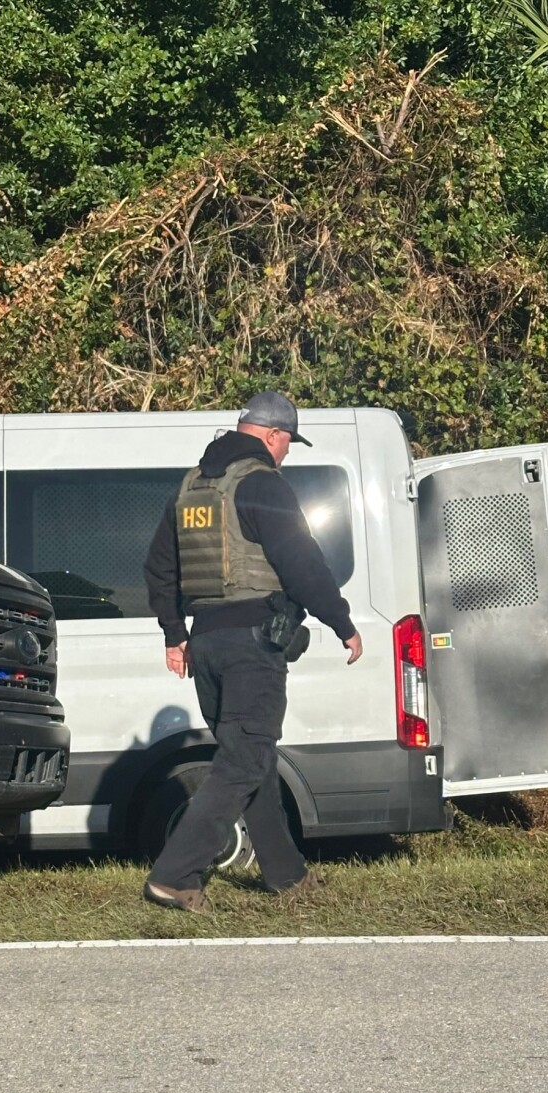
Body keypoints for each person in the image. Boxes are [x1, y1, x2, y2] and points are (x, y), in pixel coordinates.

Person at [142, 389, 363, 913]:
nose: (286, 453)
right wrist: (342, 622)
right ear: (272, 434)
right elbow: (301, 561)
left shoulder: (192, 488)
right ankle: (174, 875)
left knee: (252, 757)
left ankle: (286, 874)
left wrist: (176, 635)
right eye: (288, 443)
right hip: (250, 645)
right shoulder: (262, 483)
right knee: (243, 761)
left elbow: (159, 569)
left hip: (207, 645)